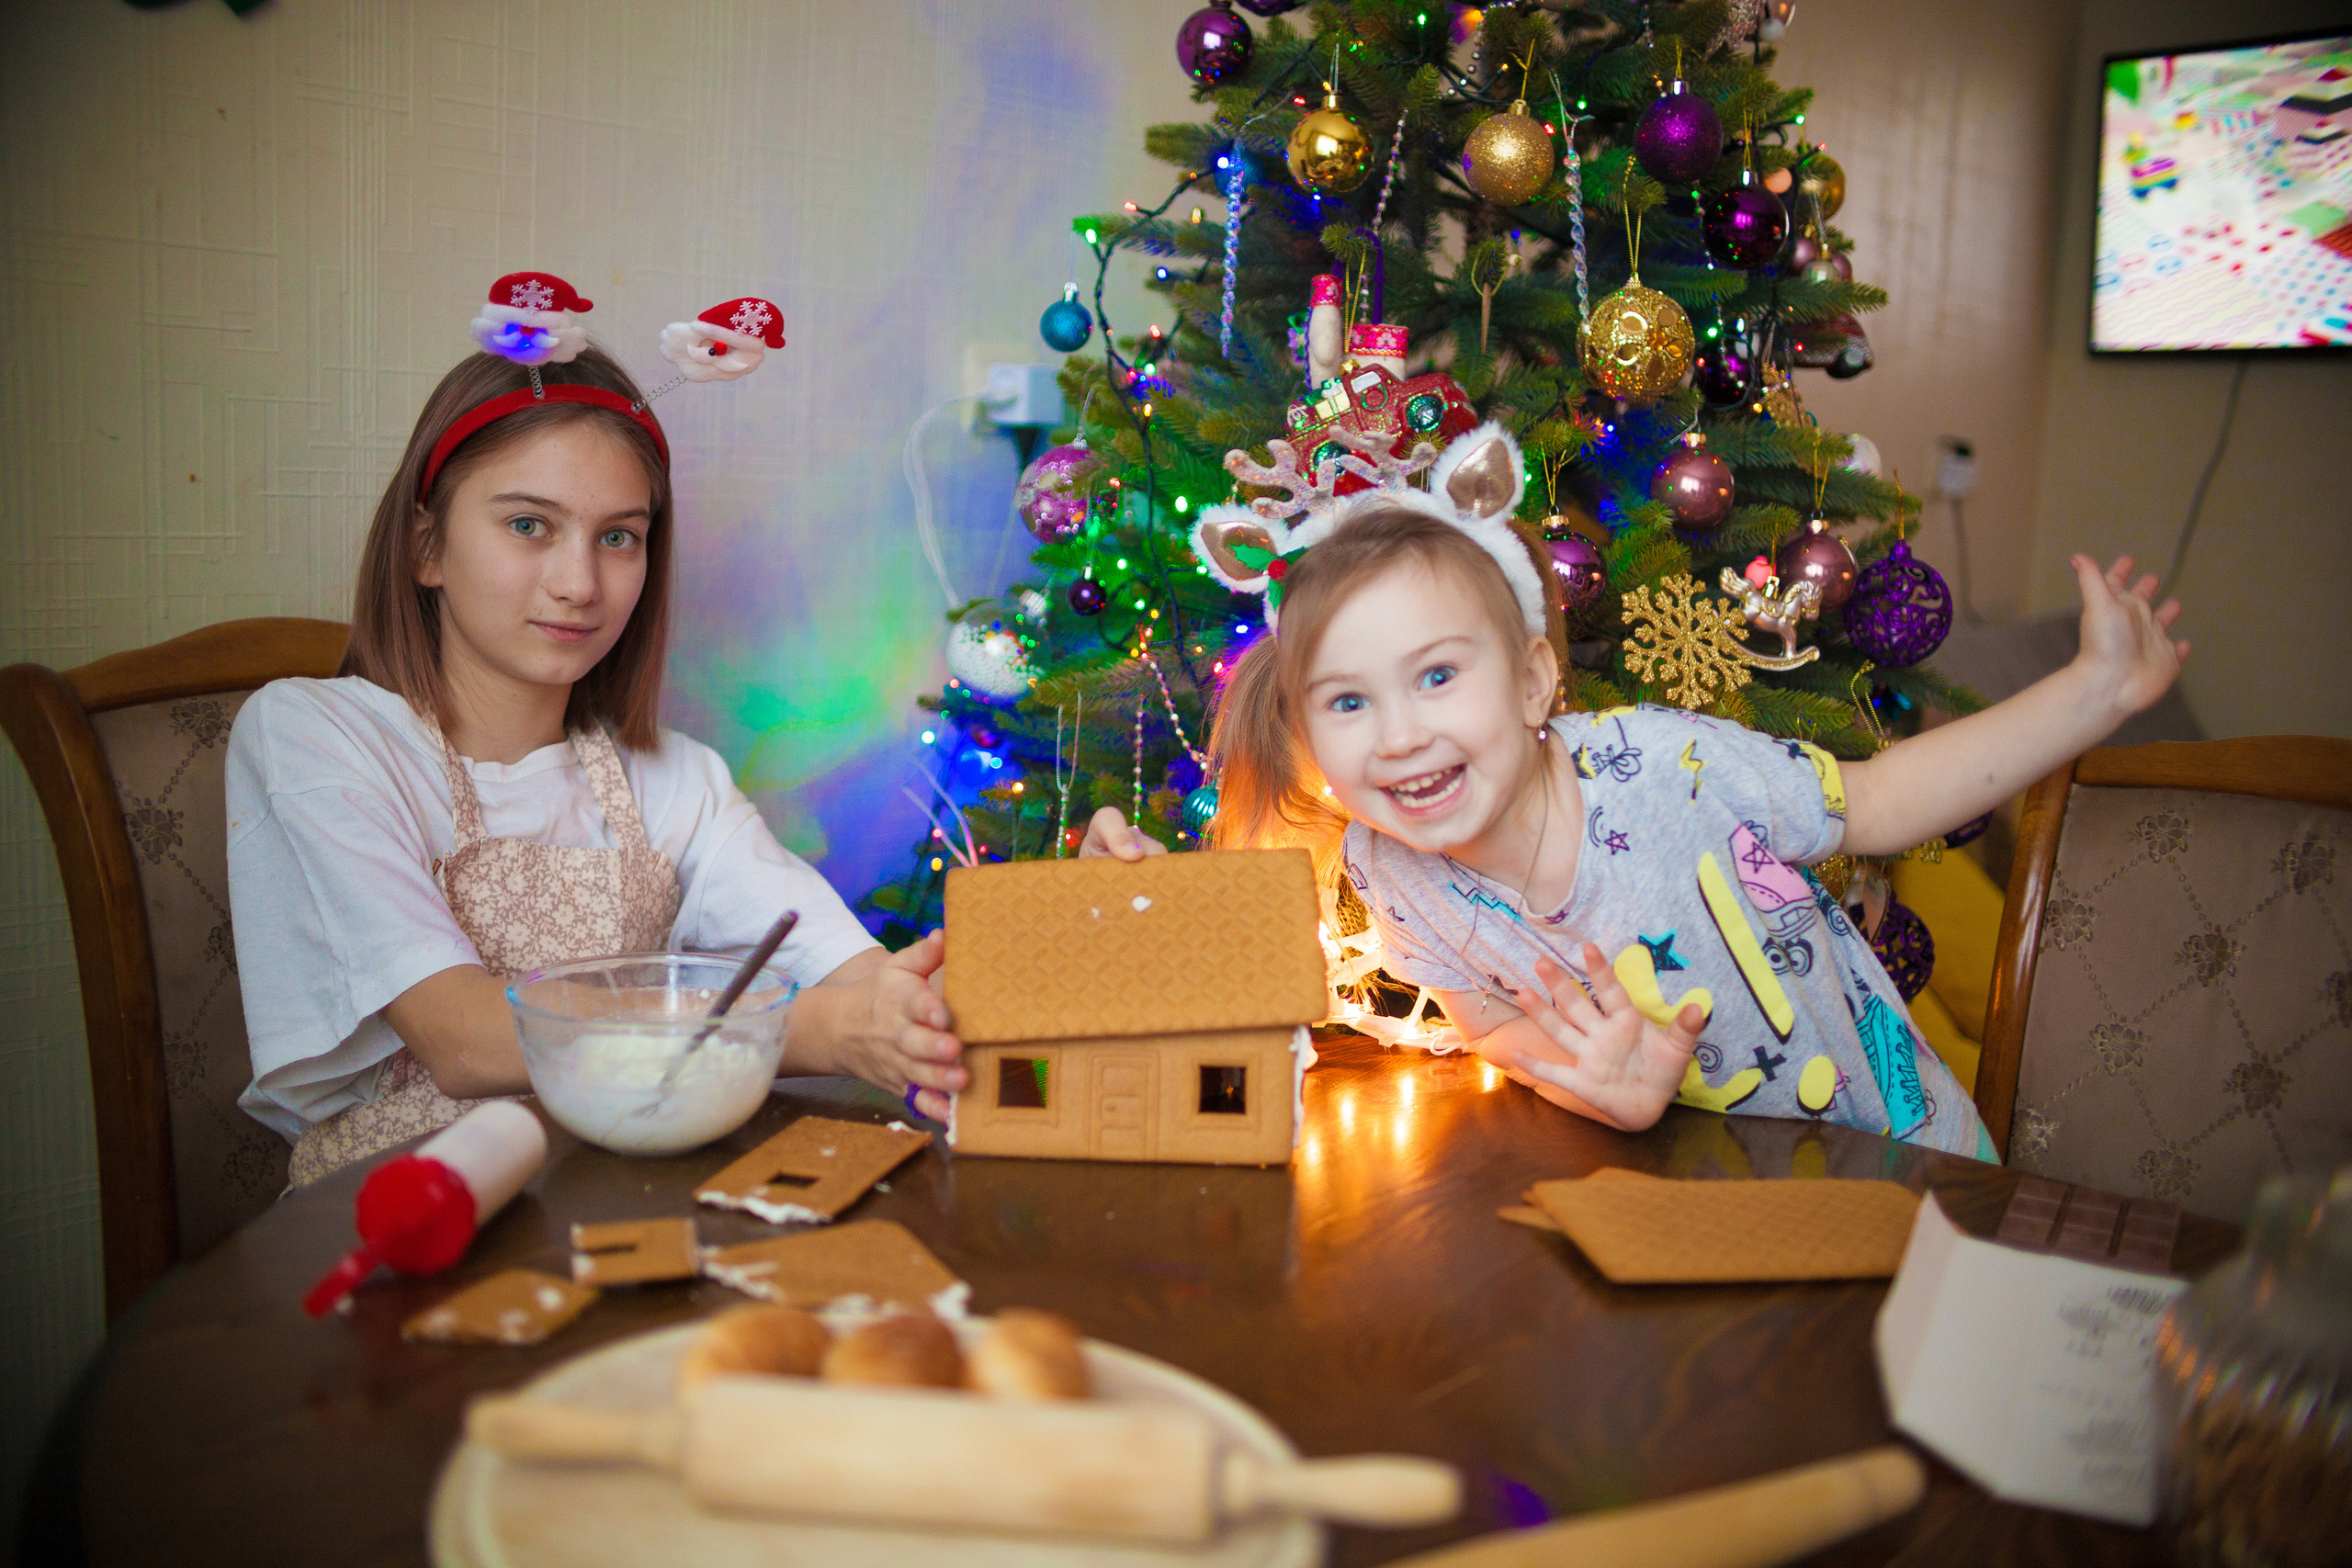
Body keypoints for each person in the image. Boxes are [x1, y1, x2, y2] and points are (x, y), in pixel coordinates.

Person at [1082, 423, 2188, 1157]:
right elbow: (1487, 1021)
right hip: (1699, 1198)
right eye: (1348, 702)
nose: (1401, 735)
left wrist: (2095, 691)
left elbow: (1886, 800)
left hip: (1899, 1165)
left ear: (1532, 682)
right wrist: (1586, 1083)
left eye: (1434, 675)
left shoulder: (1667, 765)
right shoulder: (1387, 872)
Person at [230, 319, 964, 1184]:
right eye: (530, 525)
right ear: (427, 546)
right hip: (401, 1219)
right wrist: (816, 1032)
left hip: (622, 1203)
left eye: (619, 536)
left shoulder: (679, 780)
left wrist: (945, 993)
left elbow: (859, 978)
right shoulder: (316, 735)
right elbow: (462, 1040)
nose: (580, 584)